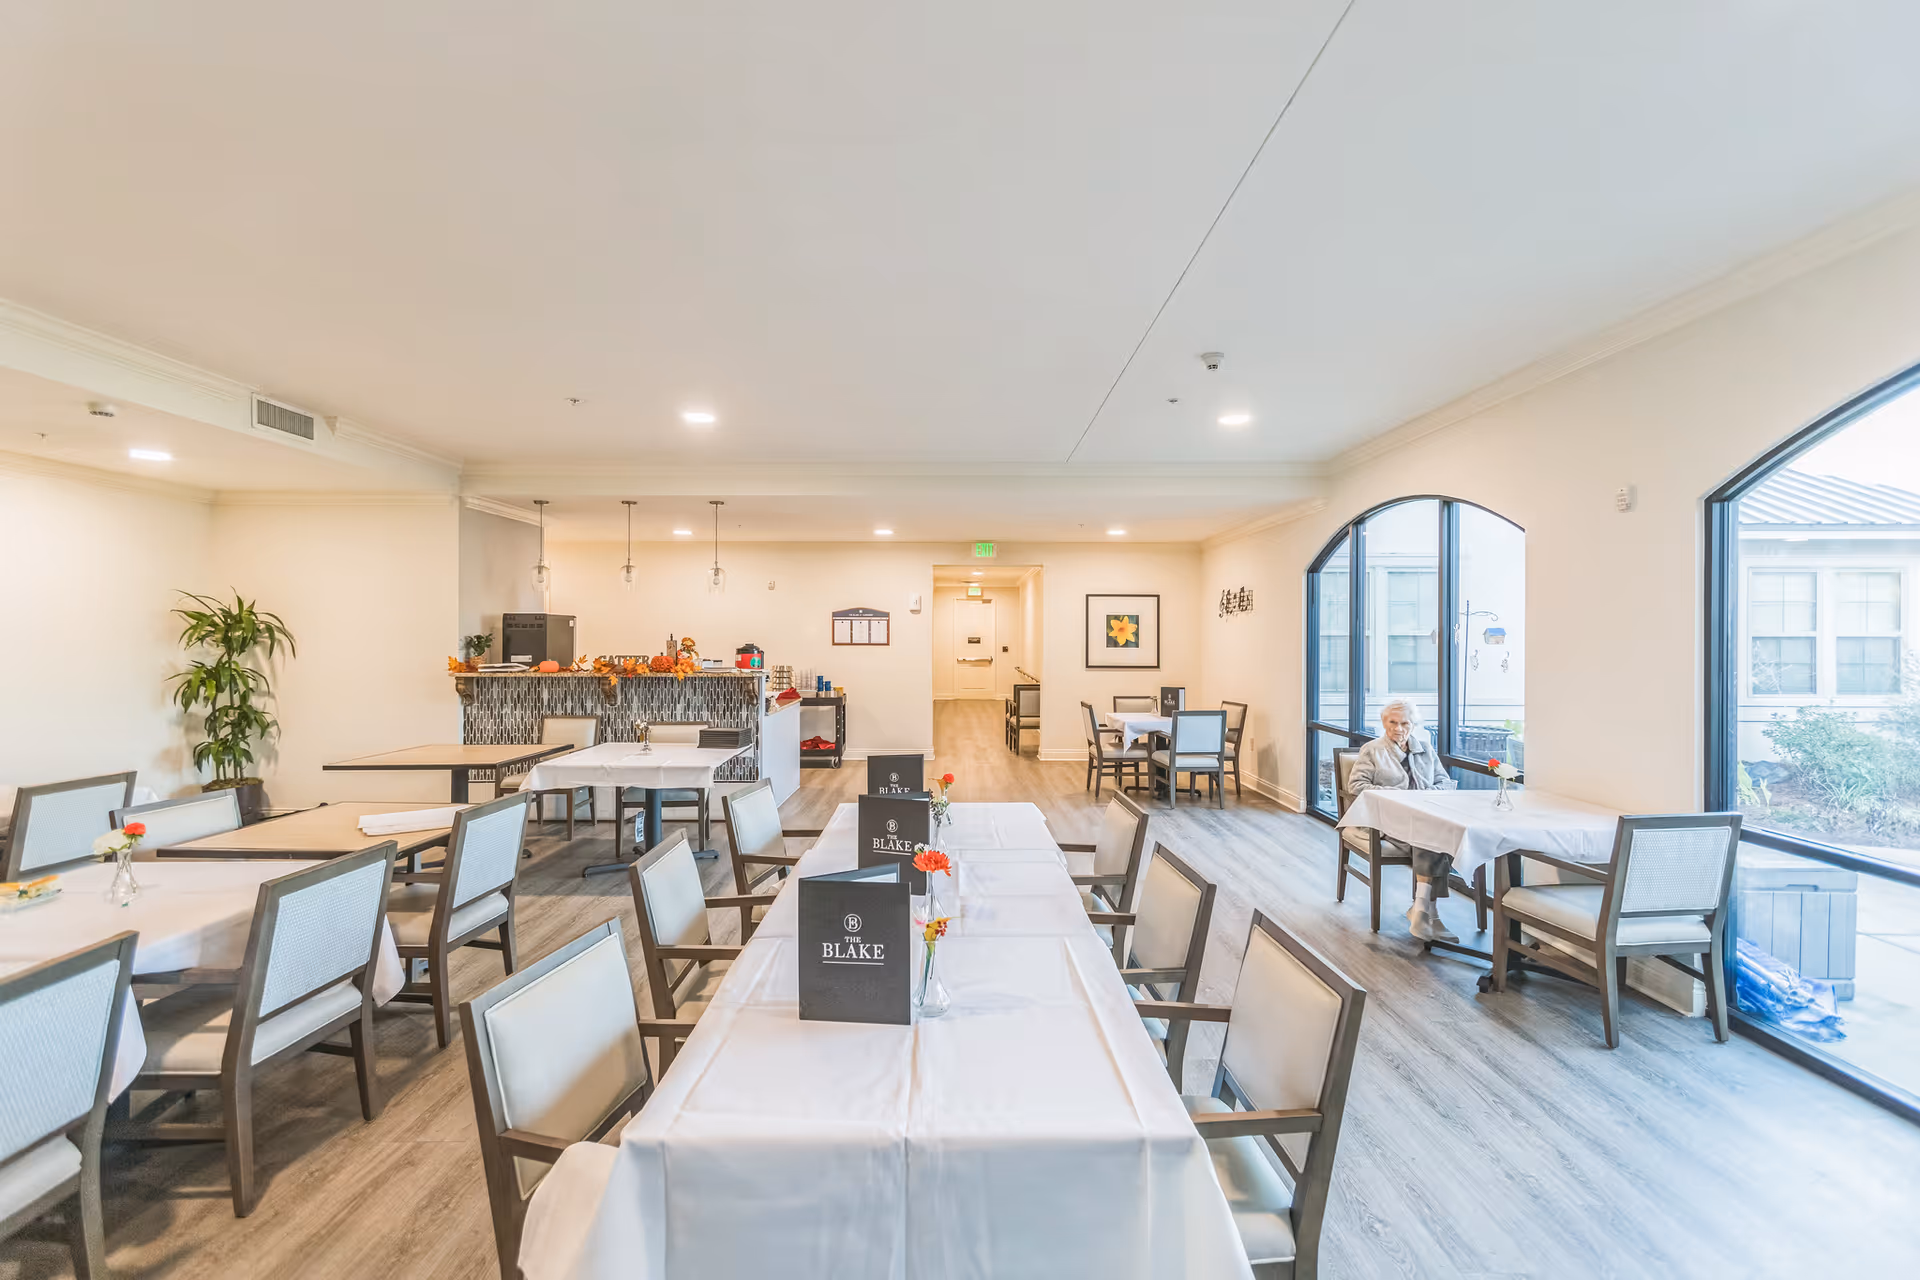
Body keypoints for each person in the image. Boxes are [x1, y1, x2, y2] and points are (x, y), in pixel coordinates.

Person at [1347, 699, 1459, 943]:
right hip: (1385, 818)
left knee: (1432, 834)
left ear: (1414, 724)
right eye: (1392, 722)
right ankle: (1429, 913)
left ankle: (1422, 910)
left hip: (1424, 816)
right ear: (1384, 723)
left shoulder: (1426, 749)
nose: (1398, 728)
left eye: (1404, 723)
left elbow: (1445, 782)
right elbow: (1356, 786)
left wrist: (1429, 795)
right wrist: (1397, 797)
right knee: (1435, 838)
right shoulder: (1372, 749)